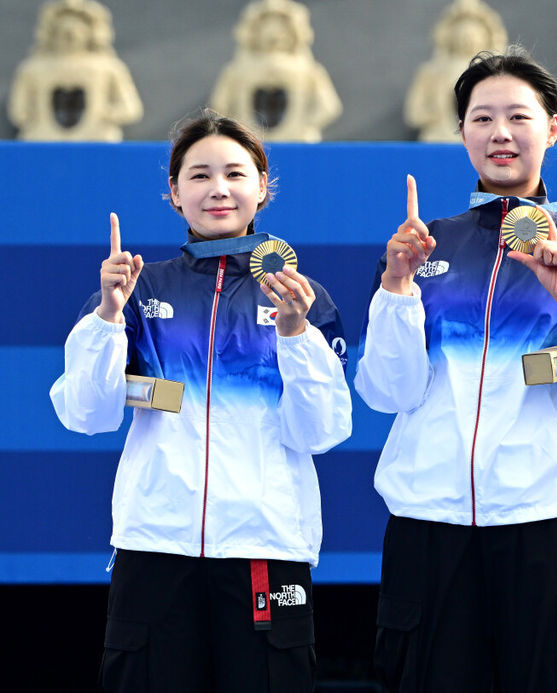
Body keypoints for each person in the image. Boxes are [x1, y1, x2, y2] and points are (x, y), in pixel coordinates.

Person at [355, 46, 557, 692]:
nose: (500, 133)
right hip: (430, 531)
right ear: (463, 132)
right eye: (481, 118)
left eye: (518, 117)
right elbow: (388, 390)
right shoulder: (422, 249)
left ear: (552, 128)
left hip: (549, 528)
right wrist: (394, 285)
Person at [50, 110, 352, 692]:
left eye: (235, 173)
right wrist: (109, 314)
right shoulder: (138, 290)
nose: (218, 188)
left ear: (263, 187)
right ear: (173, 194)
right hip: (155, 545)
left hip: (265, 546)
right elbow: (86, 415)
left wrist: (295, 332)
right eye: (199, 175)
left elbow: (321, 432)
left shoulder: (303, 298)